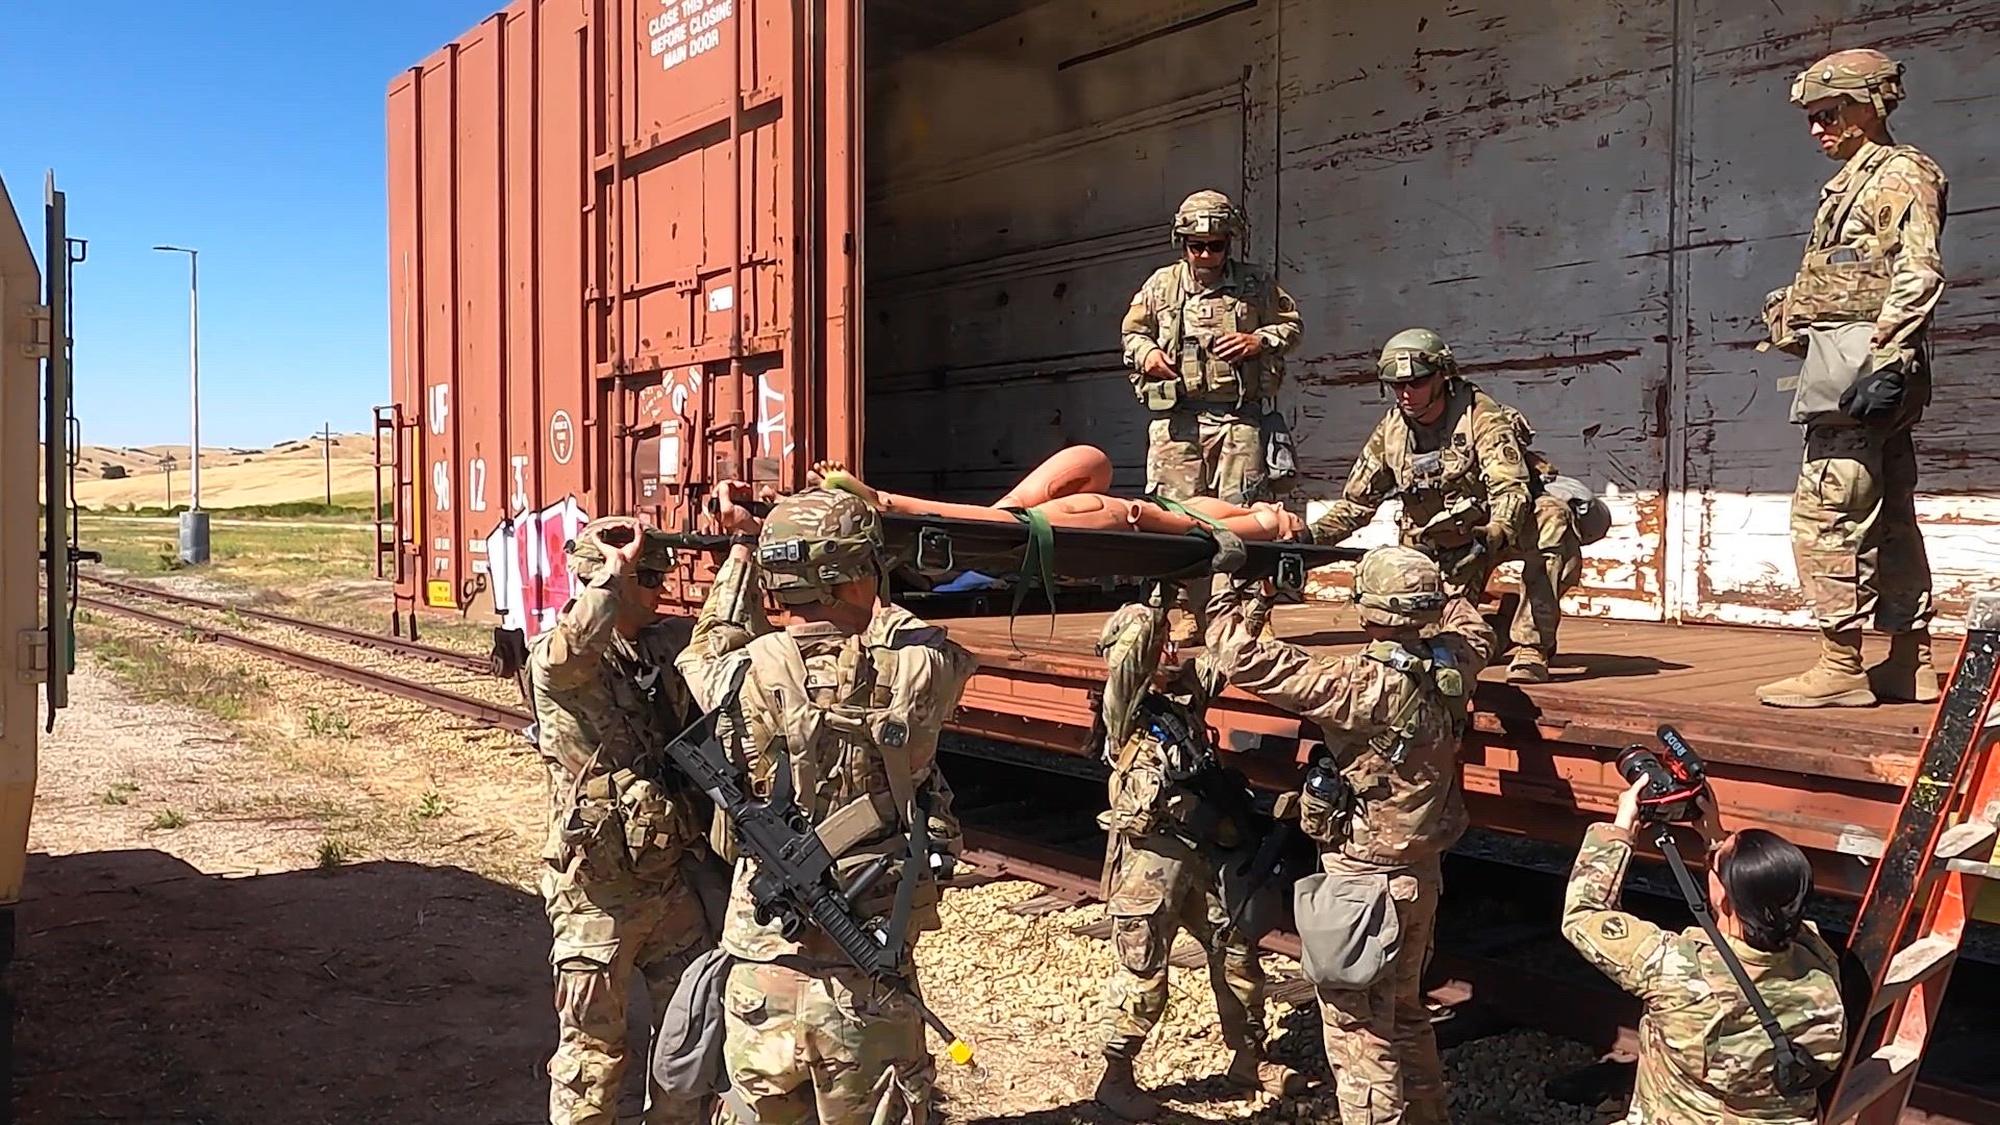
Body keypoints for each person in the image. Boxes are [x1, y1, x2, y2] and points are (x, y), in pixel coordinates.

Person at [675, 482, 979, 1124]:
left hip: (762, 967)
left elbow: (705, 647)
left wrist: (742, 551)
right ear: (856, 575)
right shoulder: (922, 669)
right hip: (864, 972)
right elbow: (928, 641)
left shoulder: (735, 674)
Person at [1202, 546, 1497, 1125]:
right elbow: (1474, 627)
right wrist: (1447, 584)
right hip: (1420, 871)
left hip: (1363, 879)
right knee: (1406, 1011)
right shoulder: (1456, 660)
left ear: (1368, 613)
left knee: (1357, 1029)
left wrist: (1227, 585)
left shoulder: (1356, 684)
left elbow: (1243, 659)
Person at [1756, 47, 1947, 709]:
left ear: (1871, 103)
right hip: (1859, 368)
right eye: (1812, 117)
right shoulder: (1857, 181)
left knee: (1828, 509)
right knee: (1890, 511)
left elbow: (1916, 272)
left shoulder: (1897, 175)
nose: (1817, 128)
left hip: (1864, 374)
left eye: (1828, 113)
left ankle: (1840, 663)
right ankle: (1909, 661)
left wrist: (1890, 360)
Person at [526, 517, 721, 1125]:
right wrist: (615, 572)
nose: (661, 588)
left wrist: (740, 548)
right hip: (597, 897)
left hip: (667, 884)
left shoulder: (660, 647)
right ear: (598, 581)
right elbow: (569, 650)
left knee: (689, 1038)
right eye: (649, 576)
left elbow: (724, 632)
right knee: (592, 1056)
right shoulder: (560, 658)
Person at [1087, 594, 1304, 1119]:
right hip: (1149, 866)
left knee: (1234, 951)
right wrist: (1156, 604)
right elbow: (1132, 651)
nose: (1166, 650)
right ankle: (1115, 1078)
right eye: (1157, 645)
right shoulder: (1126, 712)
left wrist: (1255, 601)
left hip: (1199, 859)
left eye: (1167, 643)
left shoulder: (1182, 703)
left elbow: (1221, 657)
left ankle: (1250, 1060)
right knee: (1144, 977)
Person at [1306, 329, 1583, 683]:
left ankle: (1532, 646)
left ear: (1443, 375)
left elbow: (1509, 487)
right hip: (1442, 546)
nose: (1406, 393)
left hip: (1492, 531)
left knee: (1552, 517)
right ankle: (1496, 628)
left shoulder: (1481, 416)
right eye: (1396, 385)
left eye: (1417, 382)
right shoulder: (1392, 432)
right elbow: (1357, 504)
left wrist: (1498, 530)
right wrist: (1308, 536)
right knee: (1433, 643)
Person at [1562, 780, 1847, 1123]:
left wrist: (1621, 826)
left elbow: (1584, 914)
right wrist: (1714, 836)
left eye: (1716, 866)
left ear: (1722, 897)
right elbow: (1765, 903)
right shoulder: (1817, 959)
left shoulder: (1677, 970)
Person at [1122, 189, 1305, 639]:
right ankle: (1186, 610)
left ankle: (1239, 614)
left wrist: (1257, 341)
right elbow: (1131, 333)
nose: (1205, 254)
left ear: (1231, 242)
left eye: (1216, 245)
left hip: (1237, 420)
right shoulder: (1161, 285)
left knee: (1242, 515)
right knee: (1175, 518)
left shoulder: (1256, 284)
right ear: (1181, 242)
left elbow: (1292, 324)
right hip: (1178, 422)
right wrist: (1147, 355)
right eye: (1195, 245)